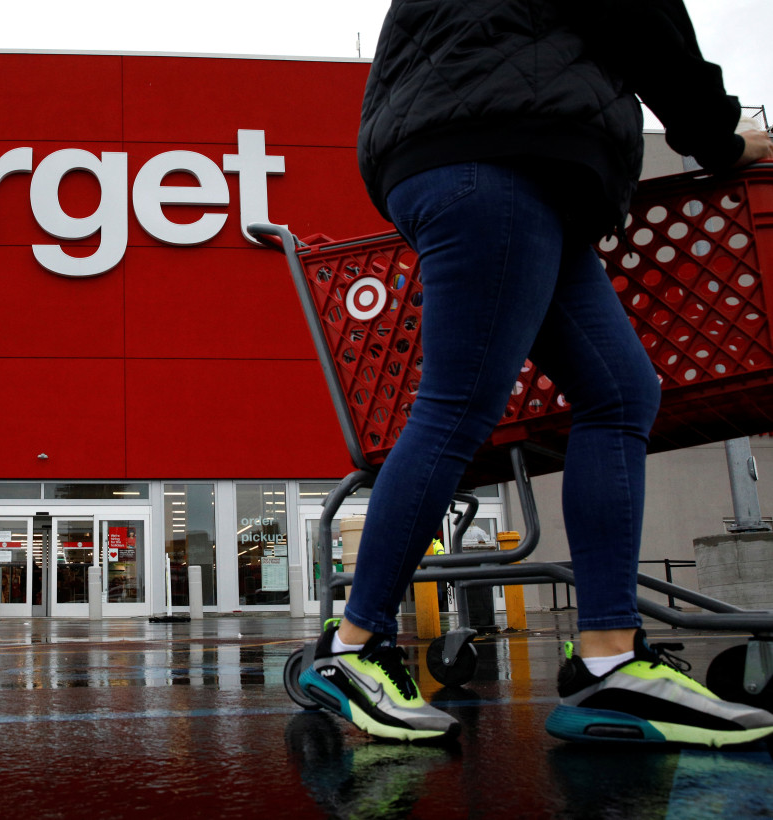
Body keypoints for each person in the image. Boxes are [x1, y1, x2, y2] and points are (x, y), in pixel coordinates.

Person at [300, 0, 773, 746]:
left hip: (495, 157)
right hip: (500, 157)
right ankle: (352, 648)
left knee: (620, 391)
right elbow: (646, 27)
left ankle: (609, 661)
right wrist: (719, 140)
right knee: (458, 407)